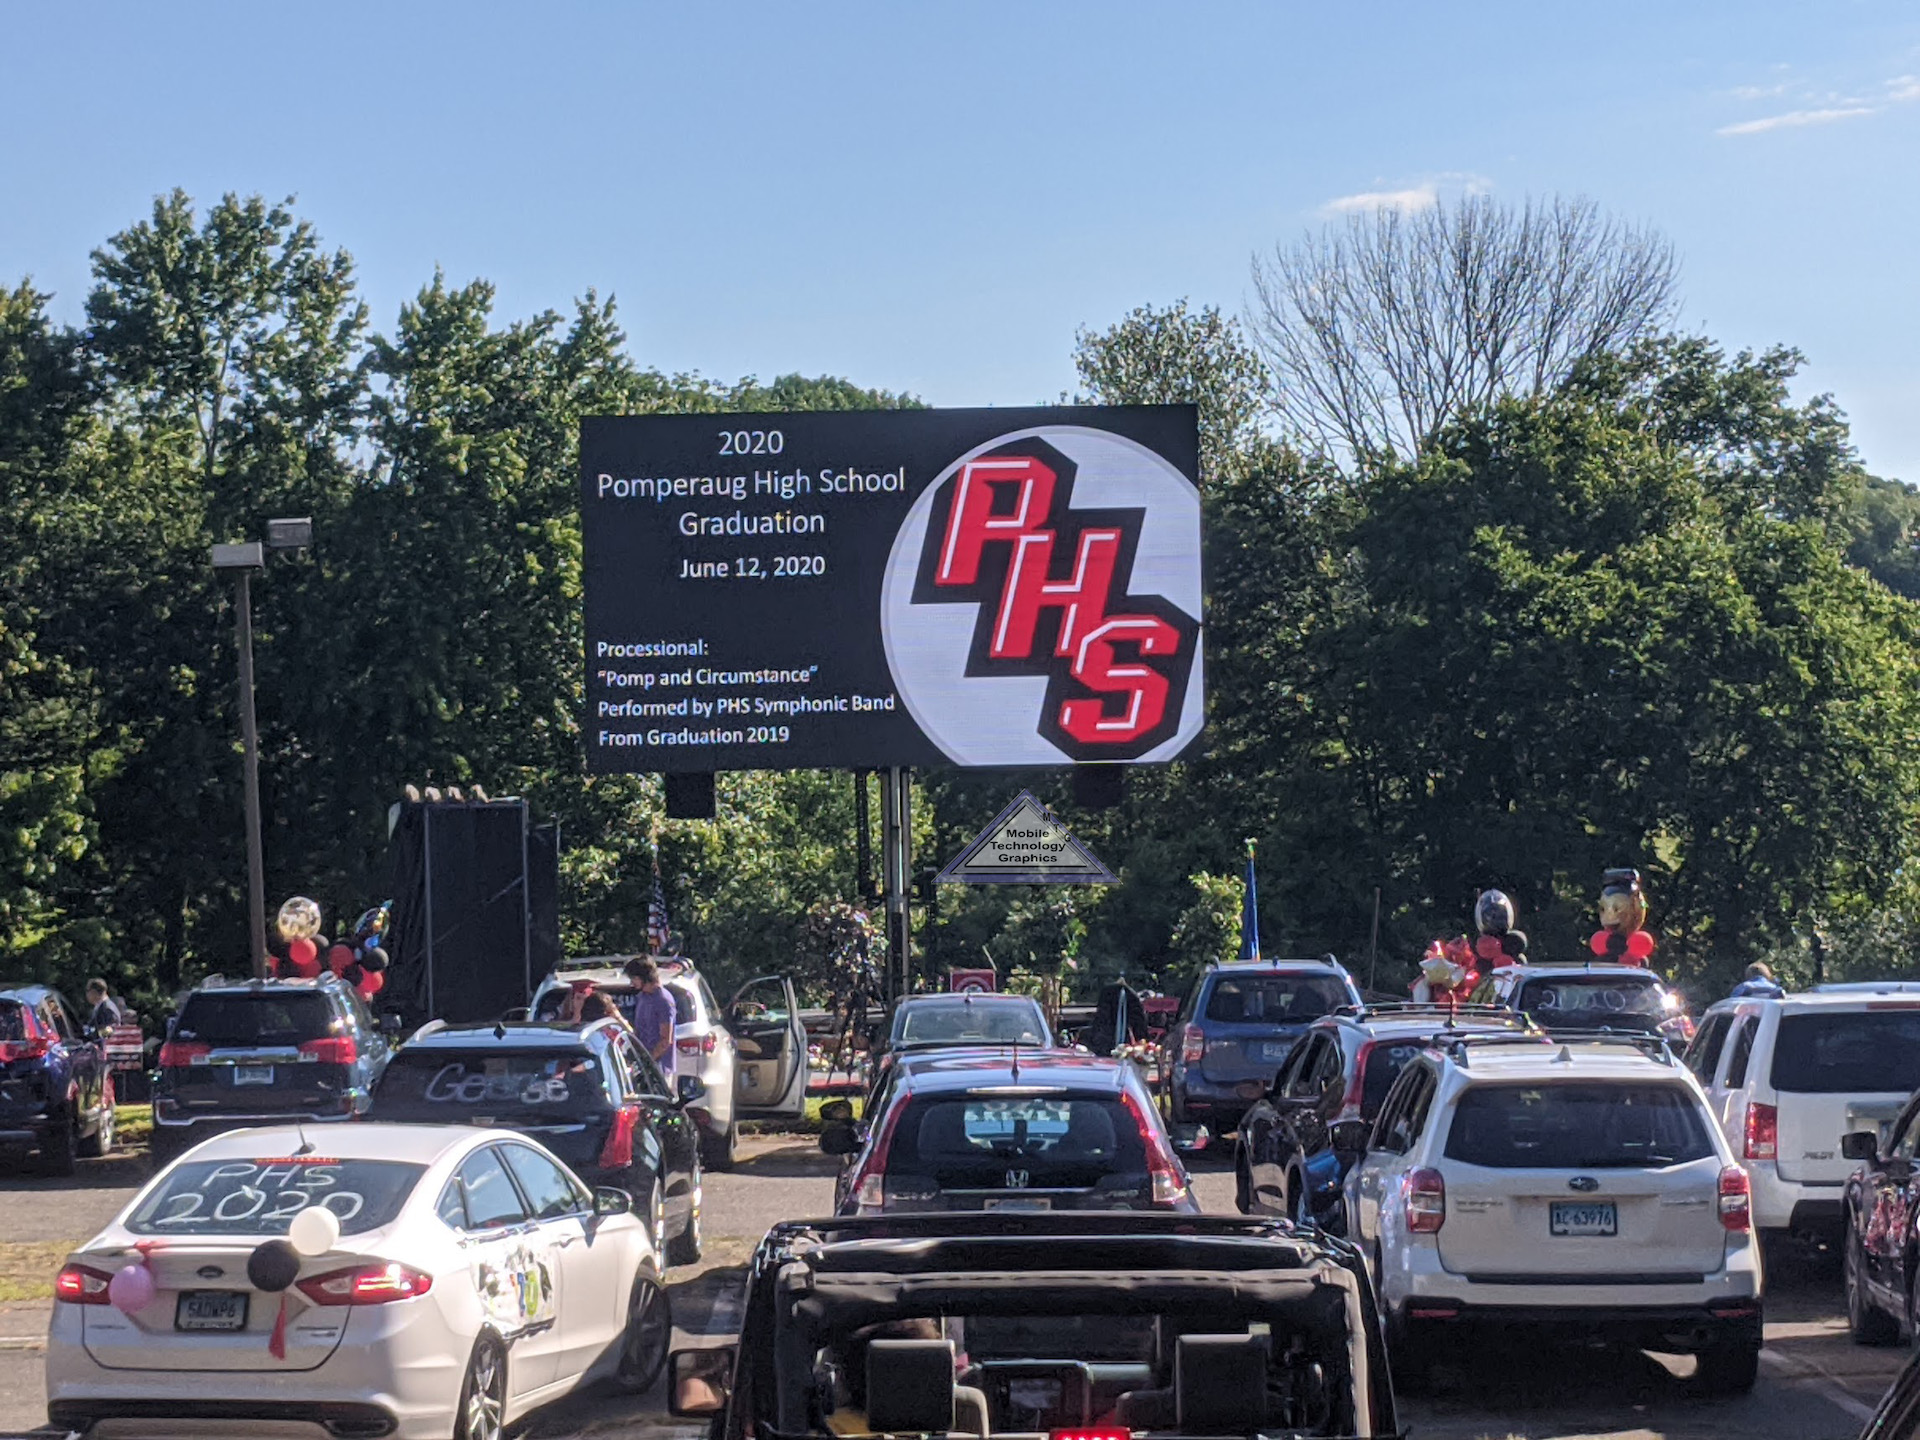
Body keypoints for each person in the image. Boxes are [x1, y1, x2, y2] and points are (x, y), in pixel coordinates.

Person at [624, 957, 677, 1077]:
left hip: (658, 1068)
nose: (632, 983)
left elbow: (665, 1041)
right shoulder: (642, 997)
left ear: (645, 977)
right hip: (642, 1066)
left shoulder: (663, 1000)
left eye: (634, 978)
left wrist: (647, 1061)